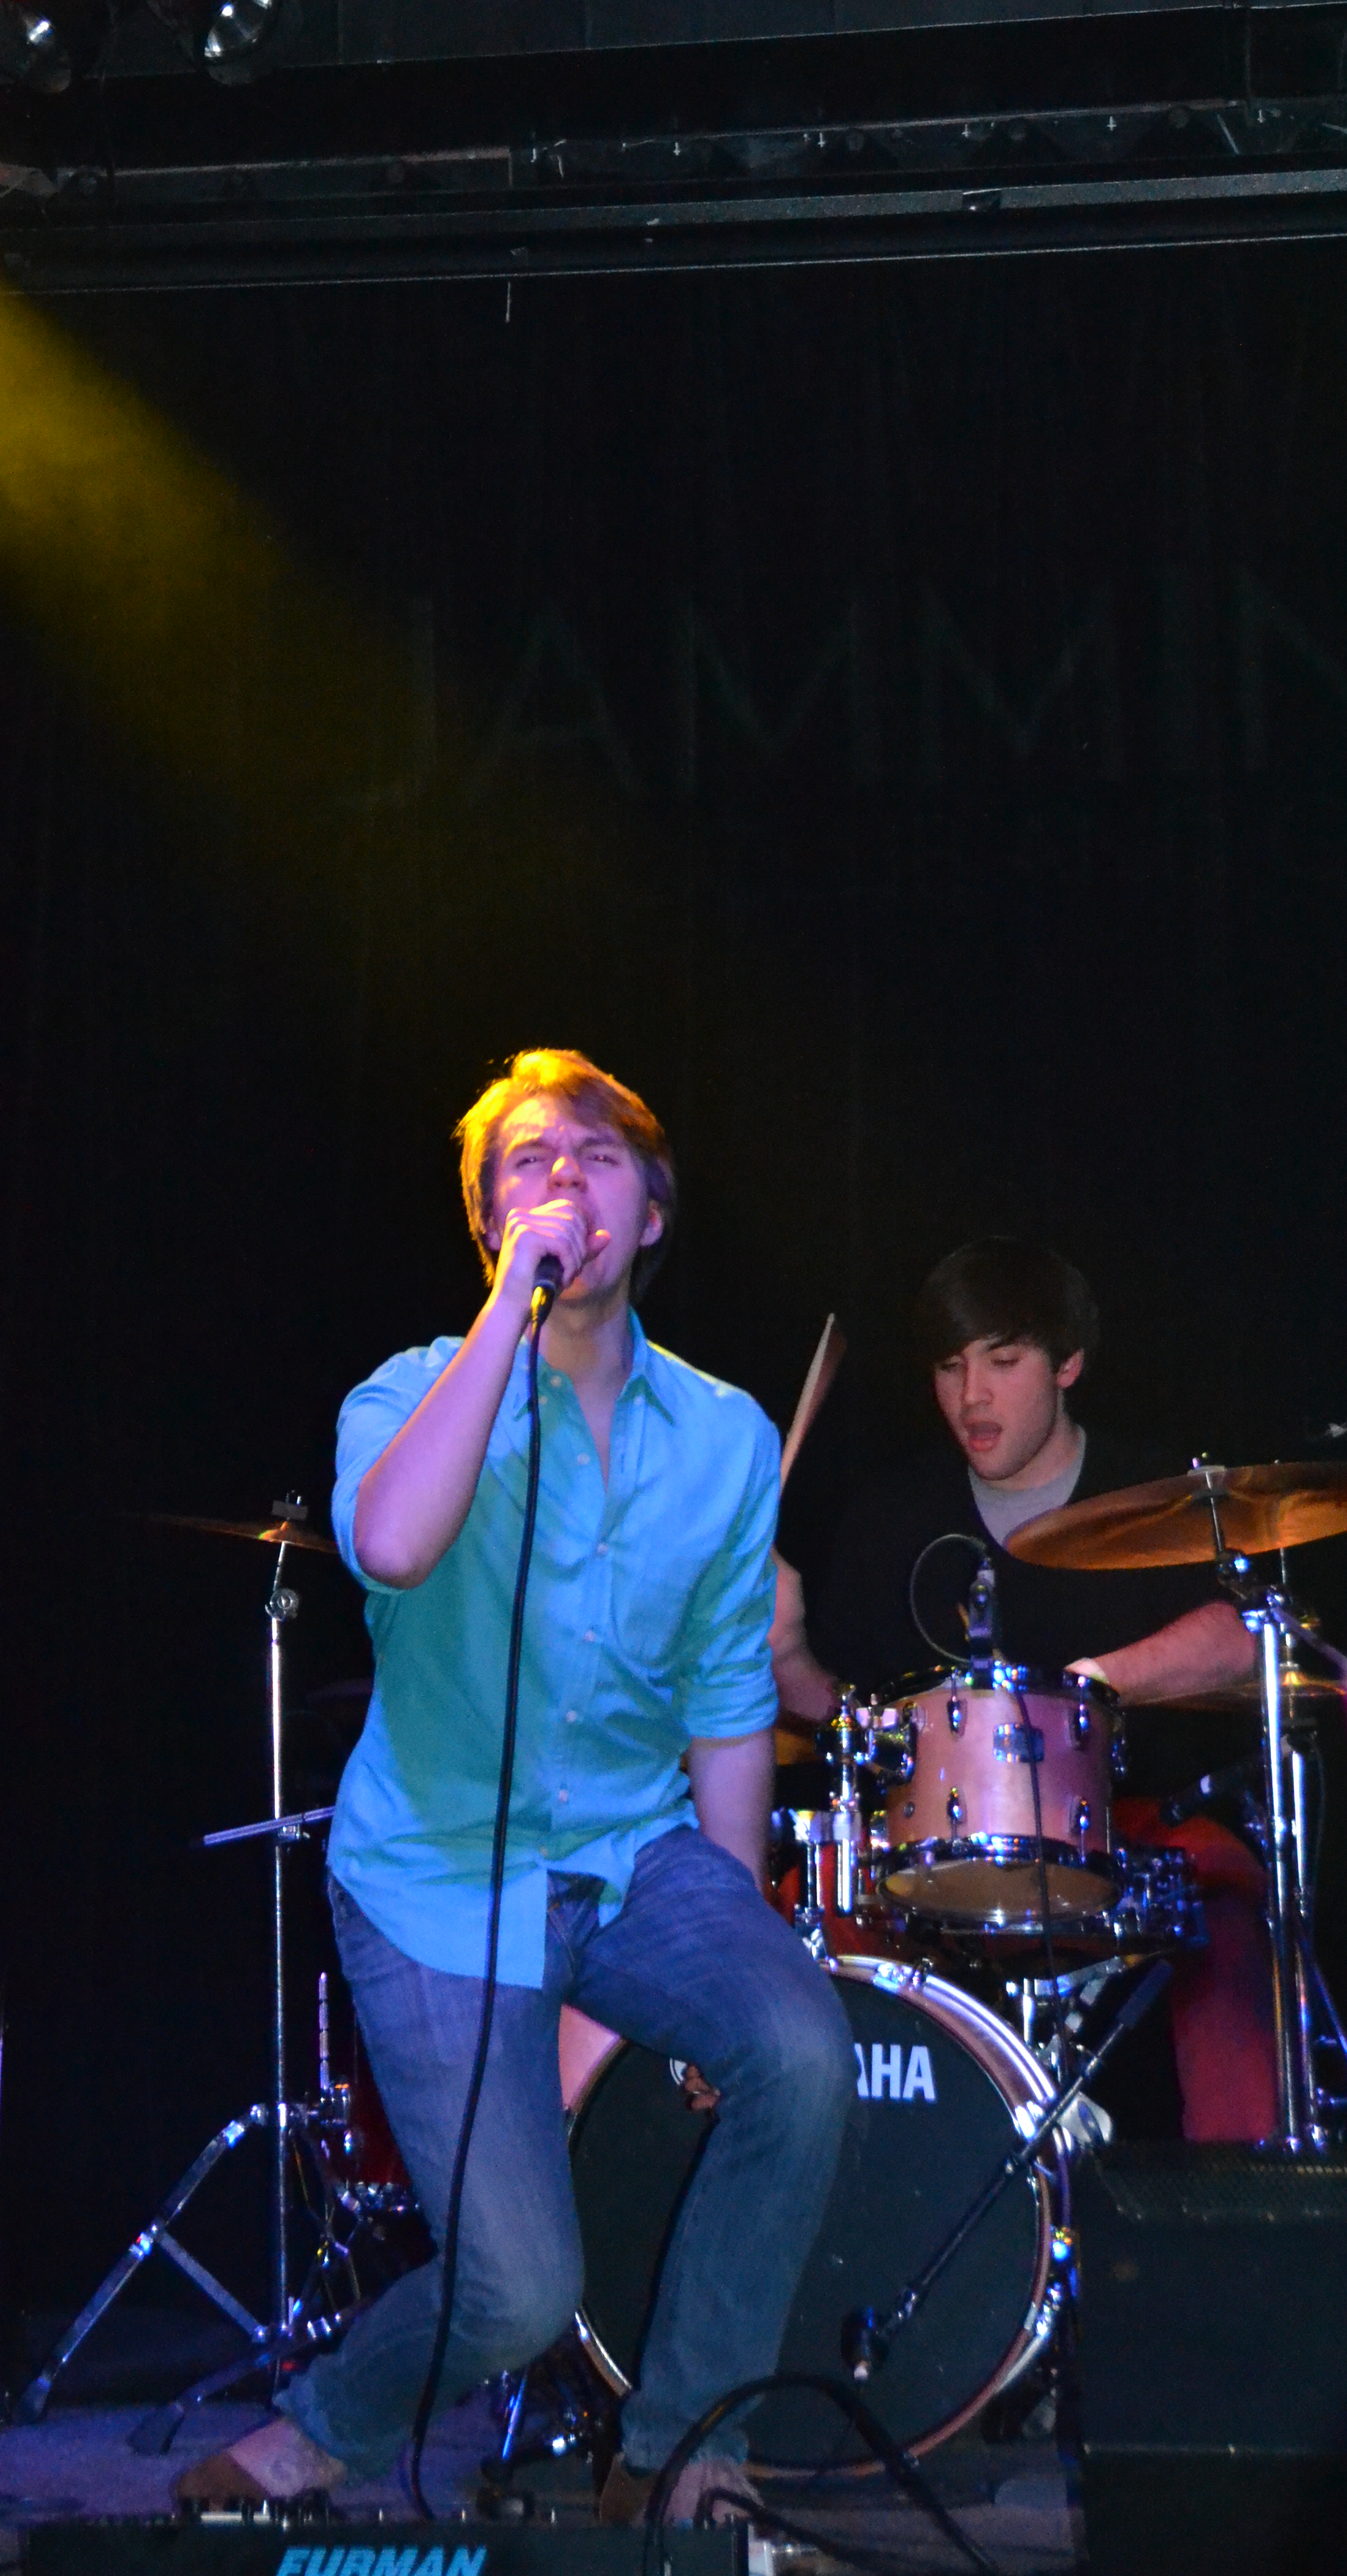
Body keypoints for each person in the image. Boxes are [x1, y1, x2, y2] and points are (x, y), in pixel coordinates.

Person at [173, 1050, 854, 2521]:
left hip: (628, 1850)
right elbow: (399, 1546)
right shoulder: (413, 1393)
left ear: (654, 1212)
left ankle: (684, 2457)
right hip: (435, 1879)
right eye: (526, 1166)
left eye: (598, 1157)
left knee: (801, 2050)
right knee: (520, 2296)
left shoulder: (727, 1437)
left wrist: (726, 1949)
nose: (564, 1180)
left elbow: (731, 1705)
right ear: (490, 1227)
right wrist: (508, 1315)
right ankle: (323, 2427)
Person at [780, 1237, 1277, 2144]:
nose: (971, 1397)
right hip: (924, 1847)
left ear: (1069, 1364)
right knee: (795, 1909)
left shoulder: (1155, 1494)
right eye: (950, 1367)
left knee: (1231, 1898)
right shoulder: (890, 1518)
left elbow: (1237, 1638)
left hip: (1128, 1828)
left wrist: (1092, 1688)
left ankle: (1239, 2204)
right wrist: (784, 1660)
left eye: (1003, 1363)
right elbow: (840, 1718)